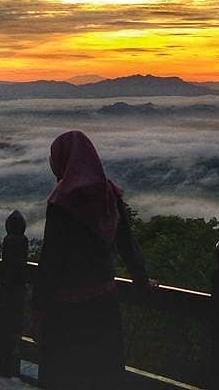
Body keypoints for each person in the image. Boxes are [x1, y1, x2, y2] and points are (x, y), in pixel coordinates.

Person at [33, 130, 153, 389]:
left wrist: (38, 308)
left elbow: (50, 261)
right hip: (104, 305)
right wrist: (141, 280)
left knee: (63, 377)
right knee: (103, 376)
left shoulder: (62, 202)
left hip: (66, 311)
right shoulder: (110, 195)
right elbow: (127, 244)